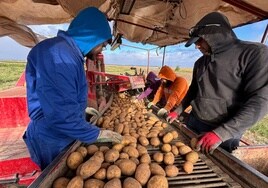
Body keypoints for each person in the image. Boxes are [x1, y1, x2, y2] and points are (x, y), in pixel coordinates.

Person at [24, 7, 122, 170]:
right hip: (53, 136)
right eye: (102, 44)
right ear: (92, 36)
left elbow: (61, 95)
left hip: (63, 130)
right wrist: (95, 134)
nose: (101, 50)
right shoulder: (59, 56)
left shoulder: (68, 53)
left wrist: (80, 109)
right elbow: (60, 114)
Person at [167, 12, 268, 154]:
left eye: (199, 40)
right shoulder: (200, 63)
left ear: (215, 36)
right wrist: (177, 111)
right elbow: (193, 90)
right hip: (194, 122)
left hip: (223, 132)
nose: (197, 46)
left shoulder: (254, 54)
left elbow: (261, 101)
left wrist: (221, 133)